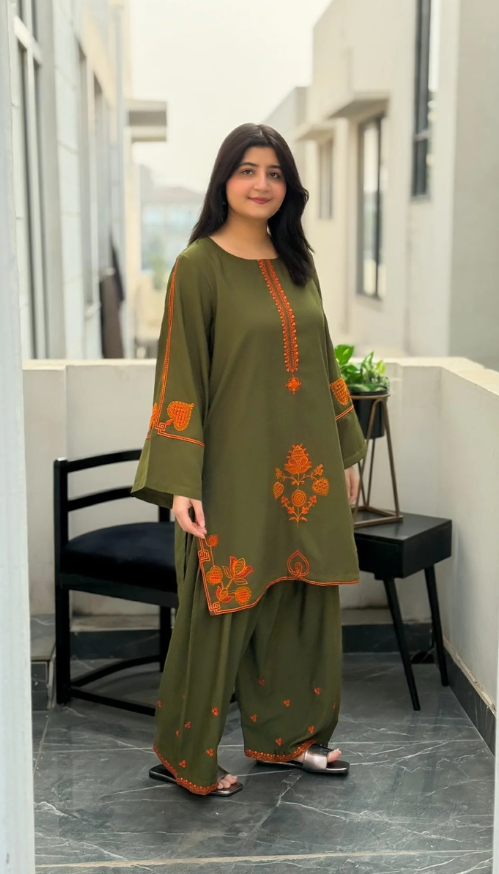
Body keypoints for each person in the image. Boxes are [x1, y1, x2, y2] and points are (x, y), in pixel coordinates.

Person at [131, 123, 367, 796]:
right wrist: (179, 482)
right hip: (230, 469)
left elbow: (322, 363)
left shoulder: (297, 260)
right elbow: (180, 377)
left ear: (287, 187)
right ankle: (188, 752)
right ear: (224, 182)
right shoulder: (197, 266)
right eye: (247, 170)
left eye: (274, 172)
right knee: (220, 603)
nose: (262, 183)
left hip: (305, 469)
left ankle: (289, 739)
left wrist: (344, 451)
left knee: (300, 596)